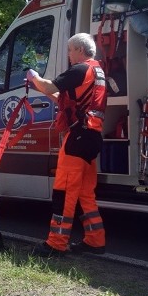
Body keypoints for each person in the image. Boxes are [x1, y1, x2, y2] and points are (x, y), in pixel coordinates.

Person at [26, 32, 107, 257]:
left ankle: (56, 243)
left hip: (78, 138)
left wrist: (34, 78)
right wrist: (40, 87)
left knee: (64, 191)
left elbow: (50, 87)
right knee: (84, 192)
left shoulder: (80, 69)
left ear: (80, 50)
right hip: (91, 138)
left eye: (70, 50)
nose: (69, 55)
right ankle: (95, 240)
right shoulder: (97, 71)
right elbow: (64, 99)